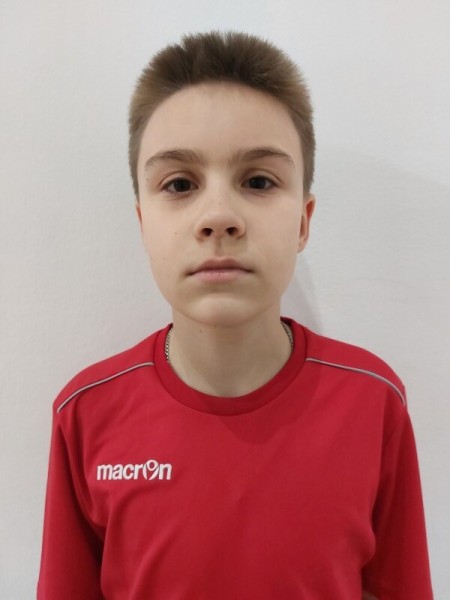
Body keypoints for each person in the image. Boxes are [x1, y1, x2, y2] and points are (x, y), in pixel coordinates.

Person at [37, 31, 433, 599]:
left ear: (303, 221)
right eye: (179, 184)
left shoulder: (373, 402)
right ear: (143, 222)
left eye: (258, 181)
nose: (219, 215)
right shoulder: (85, 414)